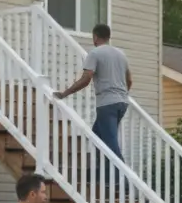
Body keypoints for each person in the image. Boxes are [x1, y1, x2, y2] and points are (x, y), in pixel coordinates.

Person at [54, 23, 132, 186]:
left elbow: (86, 78)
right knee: (97, 135)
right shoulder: (121, 54)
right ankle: (103, 174)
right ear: (108, 36)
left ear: (95, 37)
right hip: (122, 103)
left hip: (106, 104)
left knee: (110, 142)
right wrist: (122, 95)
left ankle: (123, 180)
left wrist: (65, 93)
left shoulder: (95, 53)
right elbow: (129, 80)